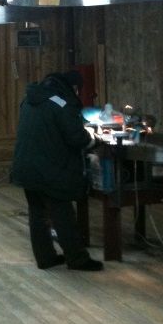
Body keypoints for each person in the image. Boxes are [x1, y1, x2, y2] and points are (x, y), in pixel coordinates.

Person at [11, 70, 103, 271]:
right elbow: (76, 138)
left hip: (25, 167)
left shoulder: (29, 99)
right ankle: (77, 259)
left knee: (37, 213)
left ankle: (45, 258)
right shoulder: (61, 103)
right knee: (63, 214)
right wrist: (94, 139)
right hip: (50, 170)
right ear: (72, 88)